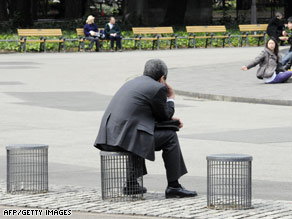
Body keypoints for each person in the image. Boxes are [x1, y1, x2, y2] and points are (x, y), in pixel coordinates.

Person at [94, 59, 197, 199]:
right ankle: (174, 186)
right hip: (123, 138)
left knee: (138, 134)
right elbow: (165, 115)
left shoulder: (131, 83)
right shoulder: (158, 88)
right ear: (162, 78)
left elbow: (143, 118)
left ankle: (131, 184)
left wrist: (170, 122)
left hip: (108, 138)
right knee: (170, 136)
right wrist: (171, 97)